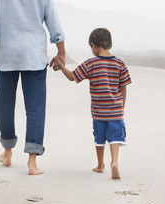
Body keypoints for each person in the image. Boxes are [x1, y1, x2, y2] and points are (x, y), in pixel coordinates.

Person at [0, 0, 66, 175]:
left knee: (6, 105)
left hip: (6, 55)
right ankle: (32, 162)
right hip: (34, 55)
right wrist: (61, 52)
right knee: (36, 108)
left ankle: (7, 152)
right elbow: (53, 21)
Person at [52, 28, 132, 179]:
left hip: (98, 111)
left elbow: (72, 77)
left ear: (93, 45)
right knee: (115, 137)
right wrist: (122, 106)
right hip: (116, 111)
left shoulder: (91, 63)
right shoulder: (119, 64)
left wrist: (61, 65)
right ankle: (114, 162)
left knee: (99, 138)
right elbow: (123, 87)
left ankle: (100, 165)